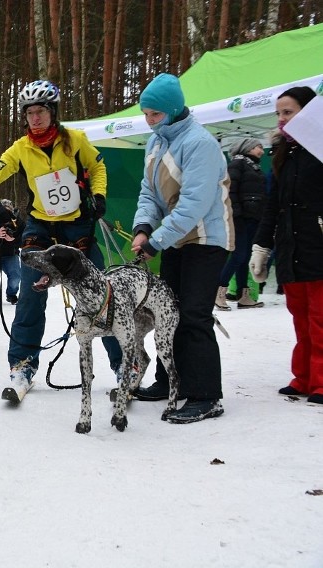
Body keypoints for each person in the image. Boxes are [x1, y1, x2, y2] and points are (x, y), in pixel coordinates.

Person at [0, 79, 122, 401]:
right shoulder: (20, 149)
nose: (36, 118)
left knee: (101, 298)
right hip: (40, 229)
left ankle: (124, 367)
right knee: (30, 297)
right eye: (30, 113)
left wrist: (99, 196)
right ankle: (23, 367)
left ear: (52, 112)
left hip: (77, 229)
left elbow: (99, 169)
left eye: (41, 111)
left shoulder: (76, 140)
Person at [131, 73, 234, 423]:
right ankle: (168, 381)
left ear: (173, 110)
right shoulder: (156, 142)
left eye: (155, 114)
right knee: (167, 314)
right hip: (175, 239)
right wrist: (144, 227)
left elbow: (194, 204)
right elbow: (149, 193)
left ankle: (206, 395)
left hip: (205, 240)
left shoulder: (199, 143)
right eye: (146, 113)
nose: (149, 120)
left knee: (193, 315)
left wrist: (156, 241)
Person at [250, 86, 323, 405]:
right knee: (300, 316)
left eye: (288, 112)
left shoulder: (319, 148)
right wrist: (261, 247)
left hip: (317, 243)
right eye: (278, 113)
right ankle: (303, 377)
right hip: (290, 246)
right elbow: (272, 205)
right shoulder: (282, 153)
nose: (281, 119)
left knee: (320, 318)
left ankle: (321, 380)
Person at [215, 138, 266, 310]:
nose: (262, 150)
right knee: (238, 255)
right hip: (240, 217)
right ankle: (218, 292)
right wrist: (236, 214)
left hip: (252, 216)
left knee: (244, 257)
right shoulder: (237, 164)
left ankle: (244, 296)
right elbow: (230, 191)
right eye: (258, 146)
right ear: (248, 148)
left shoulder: (253, 165)